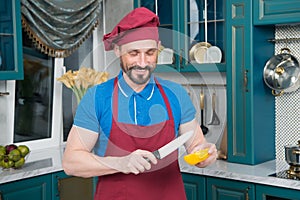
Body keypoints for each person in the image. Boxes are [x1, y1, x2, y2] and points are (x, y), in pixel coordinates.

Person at [62, 7, 217, 200]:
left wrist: (205, 154)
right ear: (118, 50)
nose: (143, 63)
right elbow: (71, 162)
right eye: (134, 53)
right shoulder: (97, 98)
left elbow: (196, 144)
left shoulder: (176, 94)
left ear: (158, 48)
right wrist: (120, 163)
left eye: (150, 52)